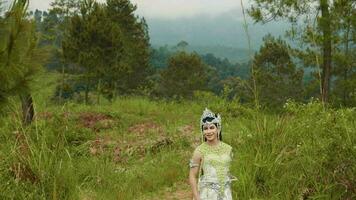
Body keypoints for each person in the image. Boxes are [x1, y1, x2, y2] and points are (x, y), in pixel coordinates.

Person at [189, 108, 235, 200]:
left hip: (225, 194)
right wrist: (197, 197)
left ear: (218, 128)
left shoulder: (228, 149)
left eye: (211, 127)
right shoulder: (199, 150)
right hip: (207, 195)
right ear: (202, 131)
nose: (209, 131)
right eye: (205, 128)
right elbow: (192, 175)